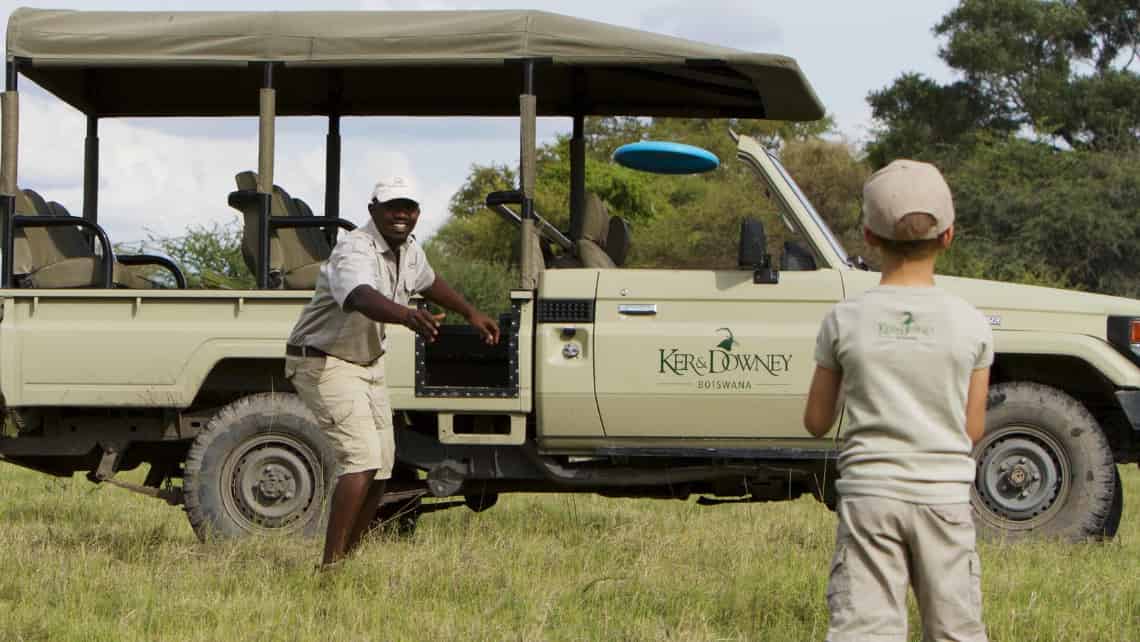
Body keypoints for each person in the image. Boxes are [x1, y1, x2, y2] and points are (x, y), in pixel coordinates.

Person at [803, 160, 992, 641]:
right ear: (949, 236)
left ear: (869, 236)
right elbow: (972, 430)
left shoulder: (843, 319)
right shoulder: (971, 322)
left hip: (870, 498)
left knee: (864, 629)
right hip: (944, 499)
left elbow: (816, 421)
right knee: (955, 629)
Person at [284, 176, 500, 567]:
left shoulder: (409, 249)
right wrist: (407, 316)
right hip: (325, 361)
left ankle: (347, 560)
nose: (402, 214)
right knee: (362, 460)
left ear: (417, 212)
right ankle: (330, 569)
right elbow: (359, 296)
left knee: (383, 467)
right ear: (372, 211)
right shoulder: (355, 248)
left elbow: (430, 282)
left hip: (367, 363)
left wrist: (471, 313)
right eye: (392, 207)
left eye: (409, 207)